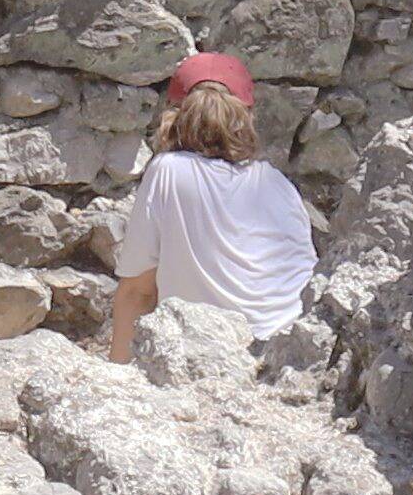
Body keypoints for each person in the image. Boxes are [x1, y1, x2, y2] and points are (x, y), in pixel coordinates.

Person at [104, 48, 315, 350]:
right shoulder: (277, 183)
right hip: (292, 348)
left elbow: (138, 292)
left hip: (218, 353)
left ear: (173, 115)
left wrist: (118, 376)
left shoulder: (167, 171)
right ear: (247, 117)